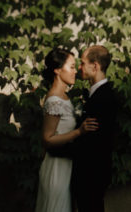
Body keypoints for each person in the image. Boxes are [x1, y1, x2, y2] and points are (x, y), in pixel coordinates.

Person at [35, 48, 98, 212]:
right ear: (57, 70)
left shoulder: (65, 97)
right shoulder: (54, 100)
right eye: (71, 66)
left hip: (68, 165)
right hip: (56, 168)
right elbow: (47, 140)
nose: (75, 70)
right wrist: (79, 132)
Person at [71, 45, 118, 212]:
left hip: (91, 174)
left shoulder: (104, 97)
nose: (79, 67)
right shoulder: (97, 94)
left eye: (83, 63)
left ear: (95, 66)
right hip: (91, 173)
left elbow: (95, 142)